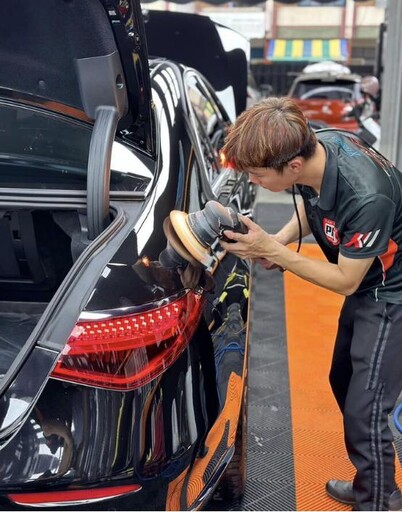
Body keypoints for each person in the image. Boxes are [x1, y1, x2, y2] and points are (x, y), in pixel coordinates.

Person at [219, 97, 402, 511]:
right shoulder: (313, 145)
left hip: (391, 291)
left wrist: (276, 252)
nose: (256, 182)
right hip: (371, 279)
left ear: (293, 166)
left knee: (367, 407)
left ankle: (373, 501)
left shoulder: (367, 195)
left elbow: (344, 281)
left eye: (259, 175)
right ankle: (379, 484)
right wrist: (279, 241)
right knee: (344, 380)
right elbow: (312, 205)